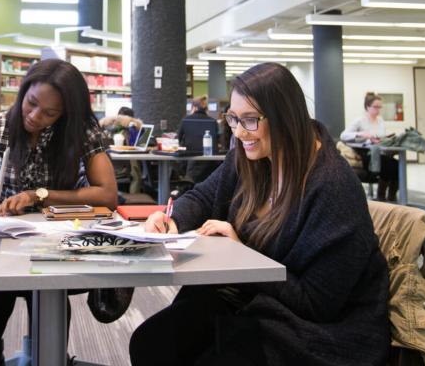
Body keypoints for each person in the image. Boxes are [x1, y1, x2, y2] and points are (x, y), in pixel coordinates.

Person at [131, 62, 389, 366]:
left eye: (250, 120)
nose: (239, 132)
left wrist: (242, 253)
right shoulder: (252, 156)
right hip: (250, 298)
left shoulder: (333, 186)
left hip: (316, 330)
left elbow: (317, 303)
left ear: (284, 118)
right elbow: (204, 195)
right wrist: (172, 219)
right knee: (150, 343)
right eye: (233, 119)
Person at [0, 58, 118, 366]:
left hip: (55, 239)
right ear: (24, 91)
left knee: (48, 290)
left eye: (49, 113)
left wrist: (38, 196)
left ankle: (44, 356)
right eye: (31, 104)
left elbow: (107, 195)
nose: (34, 116)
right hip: (2, 239)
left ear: (66, 113)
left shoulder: (80, 130)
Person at [341, 92, 398, 201]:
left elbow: (380, 136)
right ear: (367, 107)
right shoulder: (359, 120)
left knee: (396, 164)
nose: (378, 110)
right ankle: (381, 196)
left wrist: (382, 139)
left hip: (379, 150)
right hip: (365, 152)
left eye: (379, 107)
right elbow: (343, 135)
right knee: (388, 164)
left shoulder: (380, 120)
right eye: (375, 107)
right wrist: (361, 134)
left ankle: (391, 196)